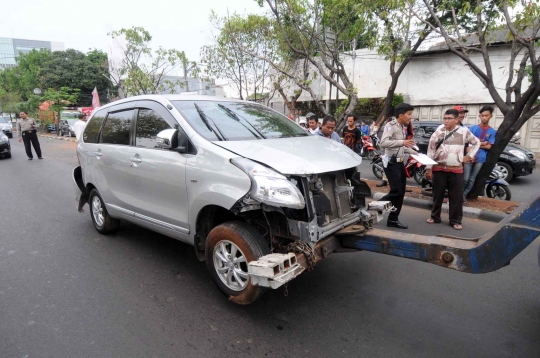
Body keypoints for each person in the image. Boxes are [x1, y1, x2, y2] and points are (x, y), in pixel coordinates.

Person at [425, 109, 480, 230]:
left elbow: (477, 142)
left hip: (456, 169)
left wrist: (469, 156)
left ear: (456, 119)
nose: (446, 121)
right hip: (439, 168)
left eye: (449, 118)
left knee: (456, 197)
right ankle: (435, 217)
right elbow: (431, 150)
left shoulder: (464, 131)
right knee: (437, 195)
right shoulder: (438, 131)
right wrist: (428, 168)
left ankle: (455, 220)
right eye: (445, 118)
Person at [379, 103, 418, 229]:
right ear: (401, 115)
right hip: (391, 163)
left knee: (400, 193)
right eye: (409, 114)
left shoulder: (402, 127)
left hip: (400, 163)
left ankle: (393, 219)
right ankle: (374, 206)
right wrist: (403, 142)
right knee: (396, 191)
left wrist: (412, 152)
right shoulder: (390, 126)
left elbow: (399, 147)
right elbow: (383, 143)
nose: (410, 117)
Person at [462, 105, 497, 202]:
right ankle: (459, 195)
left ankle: (463, 196)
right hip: (469, 156)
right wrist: (482, 143)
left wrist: (476, 144)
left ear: (491, 116)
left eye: (486, 115)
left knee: (472, 179)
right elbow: (467, 144)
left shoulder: (492, 131)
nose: (484, 117)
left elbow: (489, 146)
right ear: (479, 116)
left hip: (481, 158)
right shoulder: (472, 128)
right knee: (465, 178)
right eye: (482, 115)